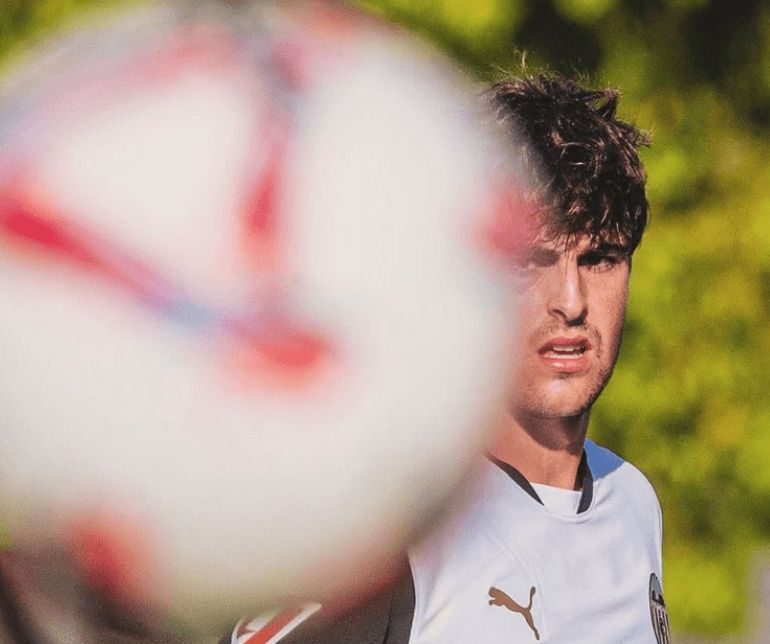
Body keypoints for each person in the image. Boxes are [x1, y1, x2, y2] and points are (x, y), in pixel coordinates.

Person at [223, 72, 669, 644]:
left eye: (601, 258)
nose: (571, 302)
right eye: (529, 261)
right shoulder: (380, 526)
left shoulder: (632, 501)